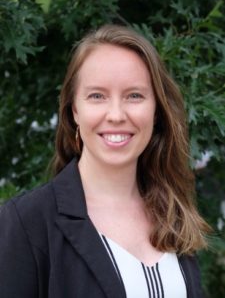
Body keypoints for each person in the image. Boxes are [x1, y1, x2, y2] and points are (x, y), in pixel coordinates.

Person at [0, 24, 210, 298]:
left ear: (156, 109)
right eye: (97, 96)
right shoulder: (27, 221)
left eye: (134, 95)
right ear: (75, 109)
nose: (116, 115)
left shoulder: (172, 211)